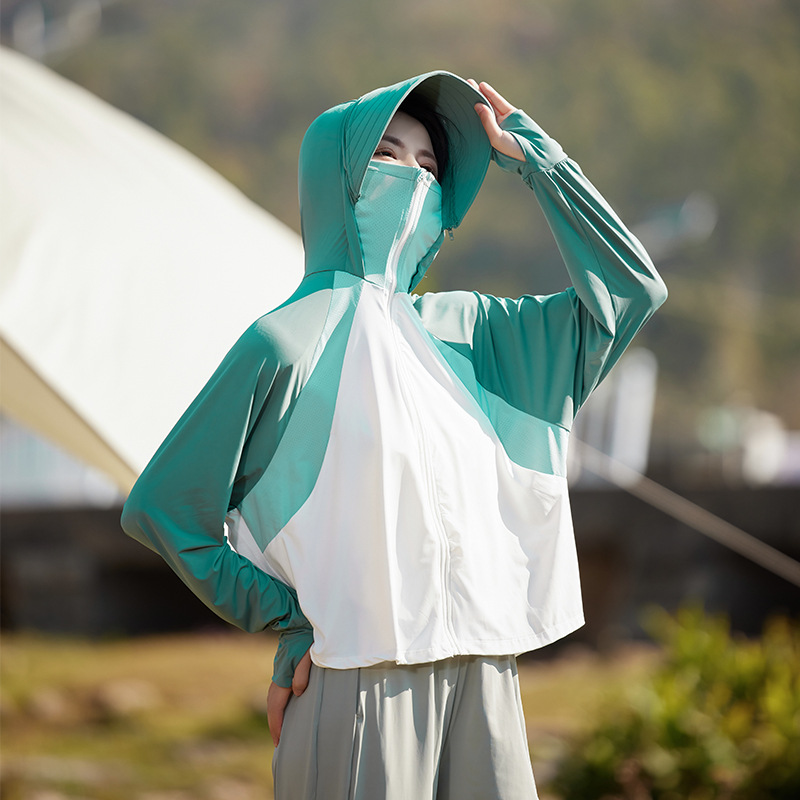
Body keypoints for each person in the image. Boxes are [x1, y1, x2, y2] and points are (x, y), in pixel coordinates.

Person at [121, 71, 667, 799]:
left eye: (431, 166)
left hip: (488, 683)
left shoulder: (479, 335)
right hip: (356, 689)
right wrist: (288, 616)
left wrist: (538, 161)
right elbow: (164, 509)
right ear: (334, 177)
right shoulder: (286, 342)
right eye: (387, 154)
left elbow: (631, 290)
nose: (412, 177)